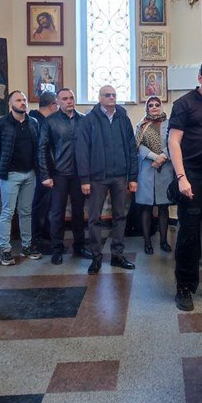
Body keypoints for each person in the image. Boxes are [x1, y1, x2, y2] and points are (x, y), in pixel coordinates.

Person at [167, 58, 202, 311]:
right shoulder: (184, 104)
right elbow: (173, 142)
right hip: (191, 176)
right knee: (189, 234)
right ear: (199, 78)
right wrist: (181, 177)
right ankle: (184, 287)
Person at [76, 85, 138, 275]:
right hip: (97, 178)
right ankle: (96, 257)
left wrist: (132, 177)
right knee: (94, 218)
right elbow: (82, 150)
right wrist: (84, 179)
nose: (111, 97)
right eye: (107, 95)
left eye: (114, 95)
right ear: (100, 97)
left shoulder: (123, 118)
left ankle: (117, 255)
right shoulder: (89, 120)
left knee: (120, 216)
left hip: (120, 176)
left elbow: (131, 148)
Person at [39, 88, 92, 264]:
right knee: (57, 213)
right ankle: (57, 249)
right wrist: (45, 174)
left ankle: (79, 246)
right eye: (65, 99)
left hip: (79, 174)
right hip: (58, 173)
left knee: (78, 212)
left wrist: (88, 174)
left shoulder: (84, 120)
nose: (69, 101)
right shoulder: (50, 121)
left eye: (71, 98)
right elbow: (42, 149)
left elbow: (90, 147)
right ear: (58, 102)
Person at [0, 91, 42, 265]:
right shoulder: (0, 125)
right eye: (18, 100)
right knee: (8, 212)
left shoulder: (33, 123)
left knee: (26, 211)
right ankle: (5, 250)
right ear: (10, 104)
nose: (23, 103)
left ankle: (27, 246)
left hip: (30, 173)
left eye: (24, 99)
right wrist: (1, 171)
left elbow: (38, 148)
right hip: (10, 175)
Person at [134, 96, 174, 255]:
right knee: (146, 207)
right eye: (151, 105)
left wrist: (163, 156)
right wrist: (154, 156)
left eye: (157, 104)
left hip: (165, 168)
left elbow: (174, 142)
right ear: (147, 108)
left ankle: (164, 241)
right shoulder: (142, 125)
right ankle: (147, 242)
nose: (154, 107)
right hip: (147, 168)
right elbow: (137, 145)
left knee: (164, 207)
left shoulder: (170, 124)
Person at [29, 91, 58, 244]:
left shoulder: (42, 120)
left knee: (47, 205)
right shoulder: (36, 122)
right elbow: (39, 150)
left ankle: (47, 236)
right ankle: (38, 239)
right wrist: (44, 173)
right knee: (40, 206)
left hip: (47, 170)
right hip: (41, 171)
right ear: (53, 105)